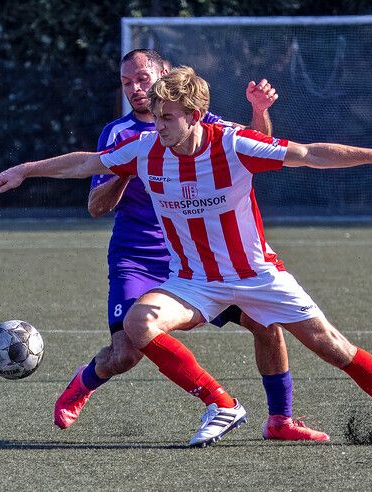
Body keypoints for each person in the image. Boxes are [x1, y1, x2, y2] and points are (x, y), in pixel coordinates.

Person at [0, 66, 372, 448]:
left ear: (194, 115)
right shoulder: (145, 148)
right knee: (137, 324)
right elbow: (87, 162)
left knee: (336, 349)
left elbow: (310, 154)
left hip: (256, 276)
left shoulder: (232, 143)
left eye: (167, 117)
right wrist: (23, 170)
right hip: (192, 281)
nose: (157, 125)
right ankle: (222, 403)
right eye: (154, 115)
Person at [56, 49, 328, 441]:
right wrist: (130, 166)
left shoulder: (202, 122)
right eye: (127, 82)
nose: (135, 89)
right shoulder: (119, 136)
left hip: (201, 259)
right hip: (139, 257)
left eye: (143, 79)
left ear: (164, 76)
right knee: (126, 353)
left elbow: (261, 148)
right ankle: (81, 385)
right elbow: (96, 207)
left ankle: (280, 420)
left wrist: (257, 109)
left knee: (265, 322)